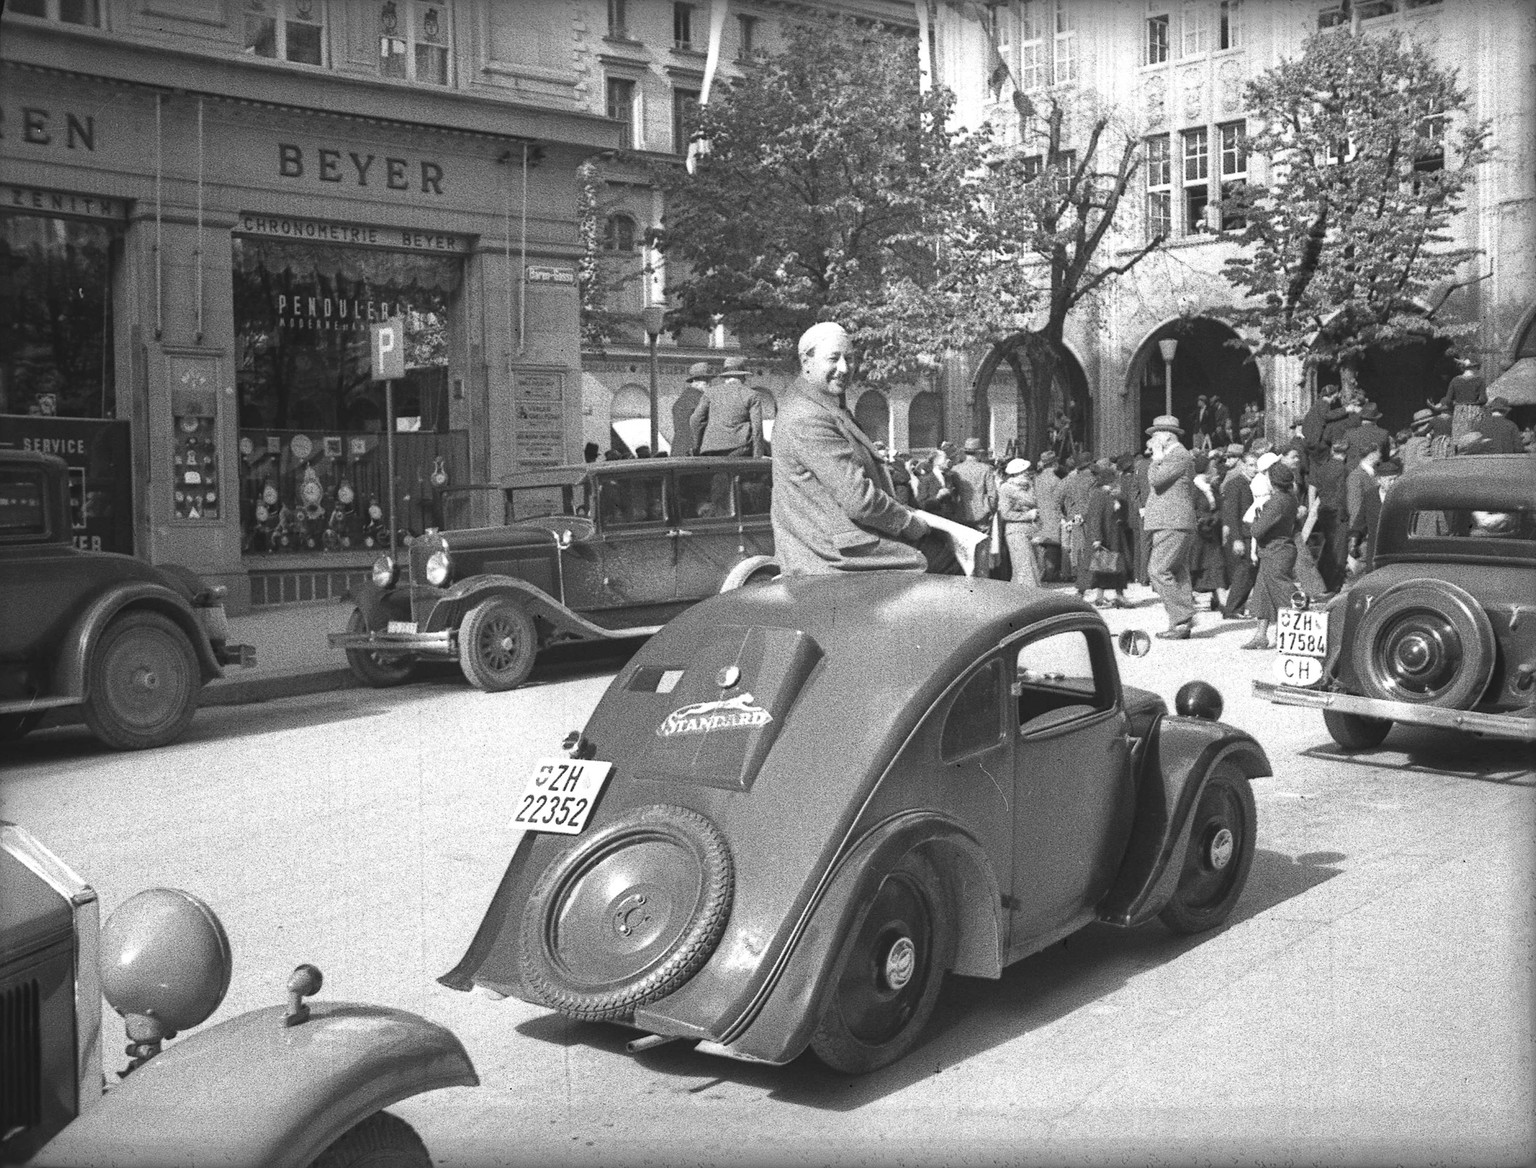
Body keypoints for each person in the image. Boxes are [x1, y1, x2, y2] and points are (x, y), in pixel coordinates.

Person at [769, 322, 949, 576]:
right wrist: (908, 522)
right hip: (832, 555)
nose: (844, 368)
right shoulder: (807, 416)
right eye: (834, 358)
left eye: (850, 358)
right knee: (945, 561)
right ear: (806, 361)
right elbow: (859, 501)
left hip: (840, 542)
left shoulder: (823, 406)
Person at [1142, 414, 1197, 639]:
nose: (1152, 440)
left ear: (1166, 436)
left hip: (1171, 521)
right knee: (1176, 570)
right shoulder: (1177, 455)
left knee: (1158, 570)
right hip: (1174, 521)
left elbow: (1156, 480)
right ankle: (1181, 623)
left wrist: (1156, 457)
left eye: (1155, 435)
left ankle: (1182, 616)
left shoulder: (1178, 456)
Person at [1244, 461, 1301, 650]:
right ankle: (1261, 635)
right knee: (1263, 592)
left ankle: (1294, 629)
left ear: (1272, 481)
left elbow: (1257, 530)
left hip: (1275, 550)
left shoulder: (1276, 502)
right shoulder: (1290, 498)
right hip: (1279, 549)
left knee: (1282, 590)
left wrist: (1257, 519)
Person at [690, 356, 765, 457]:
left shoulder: (710, 393)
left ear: (725, 378)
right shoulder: (752, 395)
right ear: (743, 377)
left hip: (710, 448)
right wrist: (757, 456)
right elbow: (757, 428)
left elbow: (696, 420)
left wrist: (697, 446)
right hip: (739, 448)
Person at [1083, 464, 1129, 607]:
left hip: (1114, 535)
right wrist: (1097, 538)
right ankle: (1101, 596)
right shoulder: (1098, 495)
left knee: (1116, 566)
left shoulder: (1110, 494)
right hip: (1105, 536)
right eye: (1113, 480)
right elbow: (1095, 518)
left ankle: (1119, 595)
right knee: (1103, 566)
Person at [1219, 450, 1256, 619]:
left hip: (1253, 533)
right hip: (1243, 533)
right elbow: (1232, 514)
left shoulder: (1256, 483)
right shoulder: (1236, 484)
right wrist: (1236, 539)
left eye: (1256, 465)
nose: (1254, 469)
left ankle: (1239, 607)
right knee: (1244, 572)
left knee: (1251, 572)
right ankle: (1232, 608)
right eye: (1251, 465)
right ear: (1243, 465)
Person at [1189, 453, 1226, 610]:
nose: (1214, 469)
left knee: (1216, 566)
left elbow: (1219, 507)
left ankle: (1221, 600)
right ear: (1205, 469)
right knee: (1194, 567)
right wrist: (1202, 519)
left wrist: (1216, 518)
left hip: (1212, 534)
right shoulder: (1193, 488)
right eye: (1211, 467)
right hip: (1197, 535)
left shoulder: (1212, 487)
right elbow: (1189, 510)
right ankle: (1185, 599)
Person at [997, 457, 1039, 586]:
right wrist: (1028, 515)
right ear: (1016, 473)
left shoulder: (1028, 486)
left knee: (1028, 565)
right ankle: (1029, 595)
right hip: (1016, 531)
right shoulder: (1006, 488)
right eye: (1024, 471)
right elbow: (1006, 513)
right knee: (1024, 567)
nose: (1027, 473)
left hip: (1030, 530)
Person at [1060, 452, 1097, 597]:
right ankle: (1092, 583)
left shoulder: (1070, 480)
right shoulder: (1093, 480)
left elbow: (1061, 498)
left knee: (1079, 552)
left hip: (1075, 519)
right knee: (1093, 551)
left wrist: (1067, 515)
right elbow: (1092, 502)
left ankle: (1081, 584)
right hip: (1088, 519)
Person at [952, 437, 999, 533]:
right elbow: (992, 495)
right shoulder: (986, 469)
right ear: (979, 453)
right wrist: (991, 511)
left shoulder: (955, 469)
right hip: (982, 513)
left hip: (961, 513)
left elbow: (952, 493)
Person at [1031, 450, 1065, 582]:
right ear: (1054, 463)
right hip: (1053, 515)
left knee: (1042, 545)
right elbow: (1061, 500)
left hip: (1040, 515)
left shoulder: (1037, 479)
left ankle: (1042, 573)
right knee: (1053, 545)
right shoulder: (1056, 481)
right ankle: (1051, 574)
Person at [670, 362, 711, 458]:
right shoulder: (701, 400)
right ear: (696, 381)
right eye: (707, 381)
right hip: (694, 453)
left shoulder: (682, 399)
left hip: (678, 451)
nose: (709, 384)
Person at [1344, 401, 1392, 470]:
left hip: (1351, 476)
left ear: (1361, 418)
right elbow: (1386, 459)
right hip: (1373, 476)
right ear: (1376, 419)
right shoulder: (1384, 434)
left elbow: (1342, 456)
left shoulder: (1349, 433)